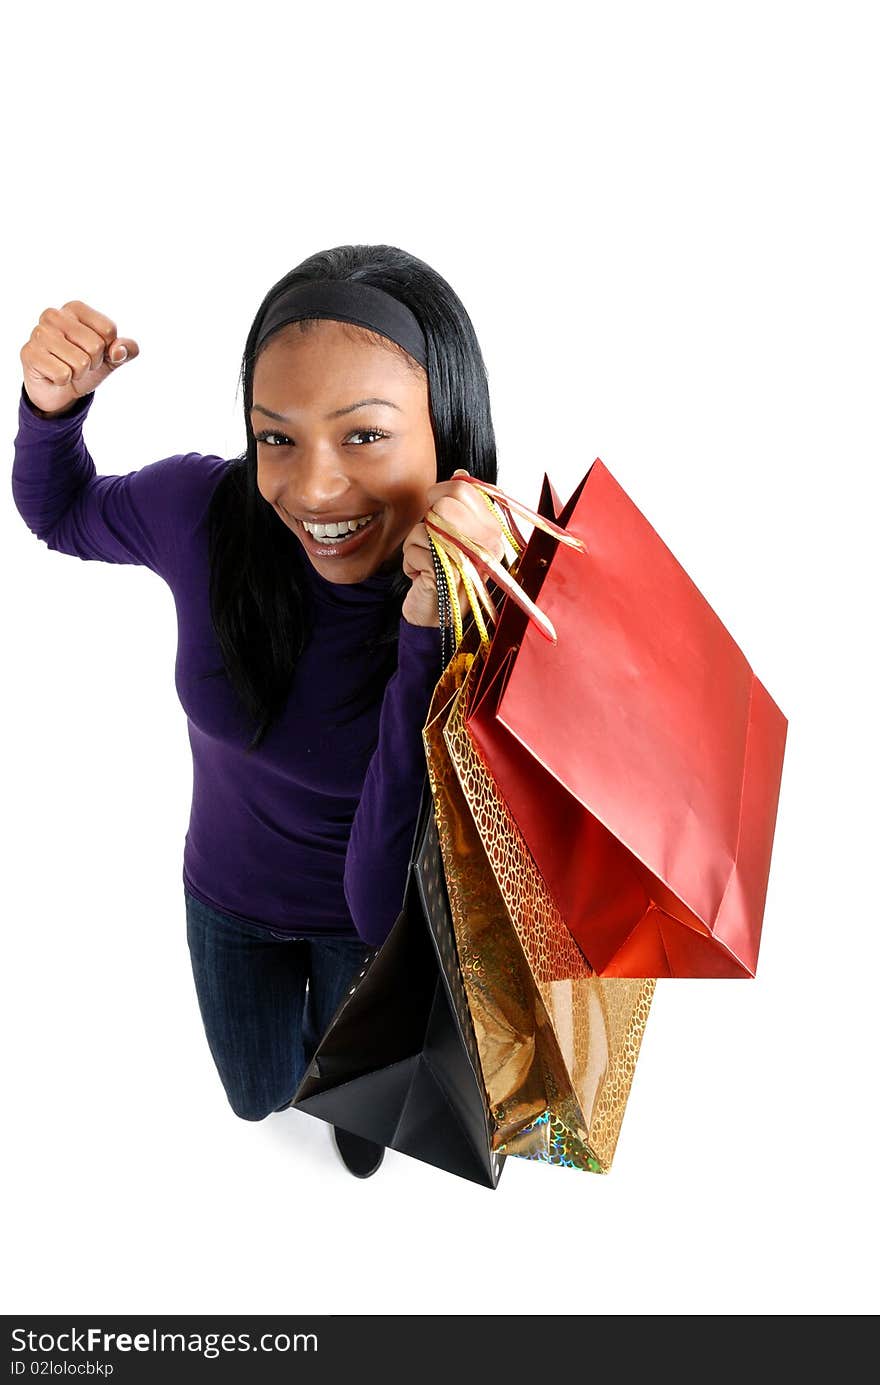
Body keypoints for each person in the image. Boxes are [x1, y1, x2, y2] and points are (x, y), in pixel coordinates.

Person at [11, 243, 506, 1179]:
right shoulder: (209, 512)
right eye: (278, 436)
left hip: (379, 925)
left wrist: (429, 626)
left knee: (354, 1088)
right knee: (254, 1091)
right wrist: (51, 407)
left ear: (446, 433)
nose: (313, 489)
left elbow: (376, 886)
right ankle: (319, 1084)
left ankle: (348, 1101)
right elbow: (62, 511)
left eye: (364, 435)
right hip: (227, 896)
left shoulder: (491, 605)